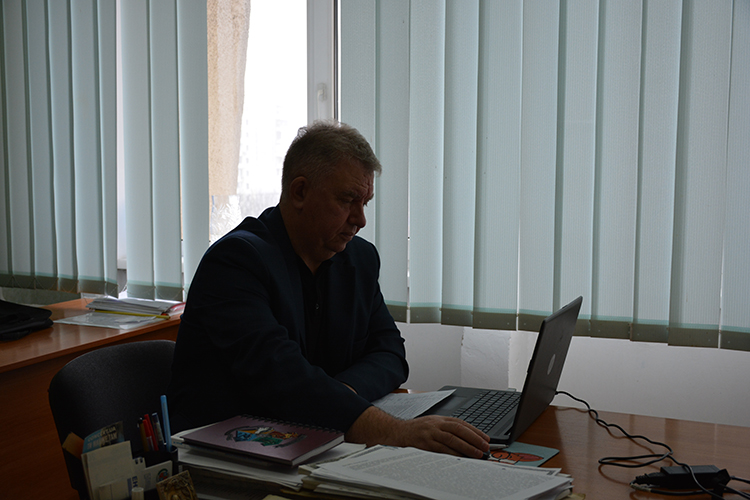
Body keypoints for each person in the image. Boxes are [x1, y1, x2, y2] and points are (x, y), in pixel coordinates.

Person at [167, 121, 489, 458]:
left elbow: (390, 352)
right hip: (226, 456)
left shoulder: (360, 260)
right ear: (300, 192)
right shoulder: (235, 262)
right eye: (348, 200)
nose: (361, 219)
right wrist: (394, 431)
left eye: (365, 203)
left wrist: (341, 394)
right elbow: (281, 378)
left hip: (317, 445)